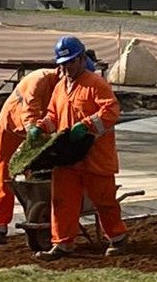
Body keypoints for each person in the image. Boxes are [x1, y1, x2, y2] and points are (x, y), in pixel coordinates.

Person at [32, 36, 127, 261]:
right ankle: (62, 244)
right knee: (62, 201)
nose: (66, 67)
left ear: (82, 59)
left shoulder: (96, 85)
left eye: (71, 62)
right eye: (63, 63)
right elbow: (53, 116)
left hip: (95, 156)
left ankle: (118, 238)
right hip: (68, 156)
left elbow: (111, 112)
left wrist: (86, 126)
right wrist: (41, 127)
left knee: (104, 200)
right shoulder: (60, 88)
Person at [0, 66, 60, 245]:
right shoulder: (39, 79)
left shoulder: (70, 86)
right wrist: (32, 131)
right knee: (3, 174)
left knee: (37, 176)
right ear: (61, 68)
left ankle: (40, 216)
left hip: (39, 132)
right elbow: (30, 109)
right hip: (11, 126)